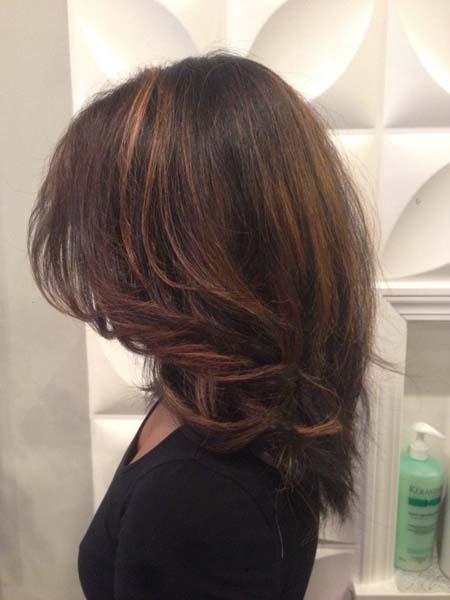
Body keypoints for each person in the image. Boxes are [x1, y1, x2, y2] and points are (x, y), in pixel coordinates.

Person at [27, 49, 396, 599]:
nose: (97, 261)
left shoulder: (200, 496)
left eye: (108, 233)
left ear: (182, 255)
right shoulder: (213, 396)